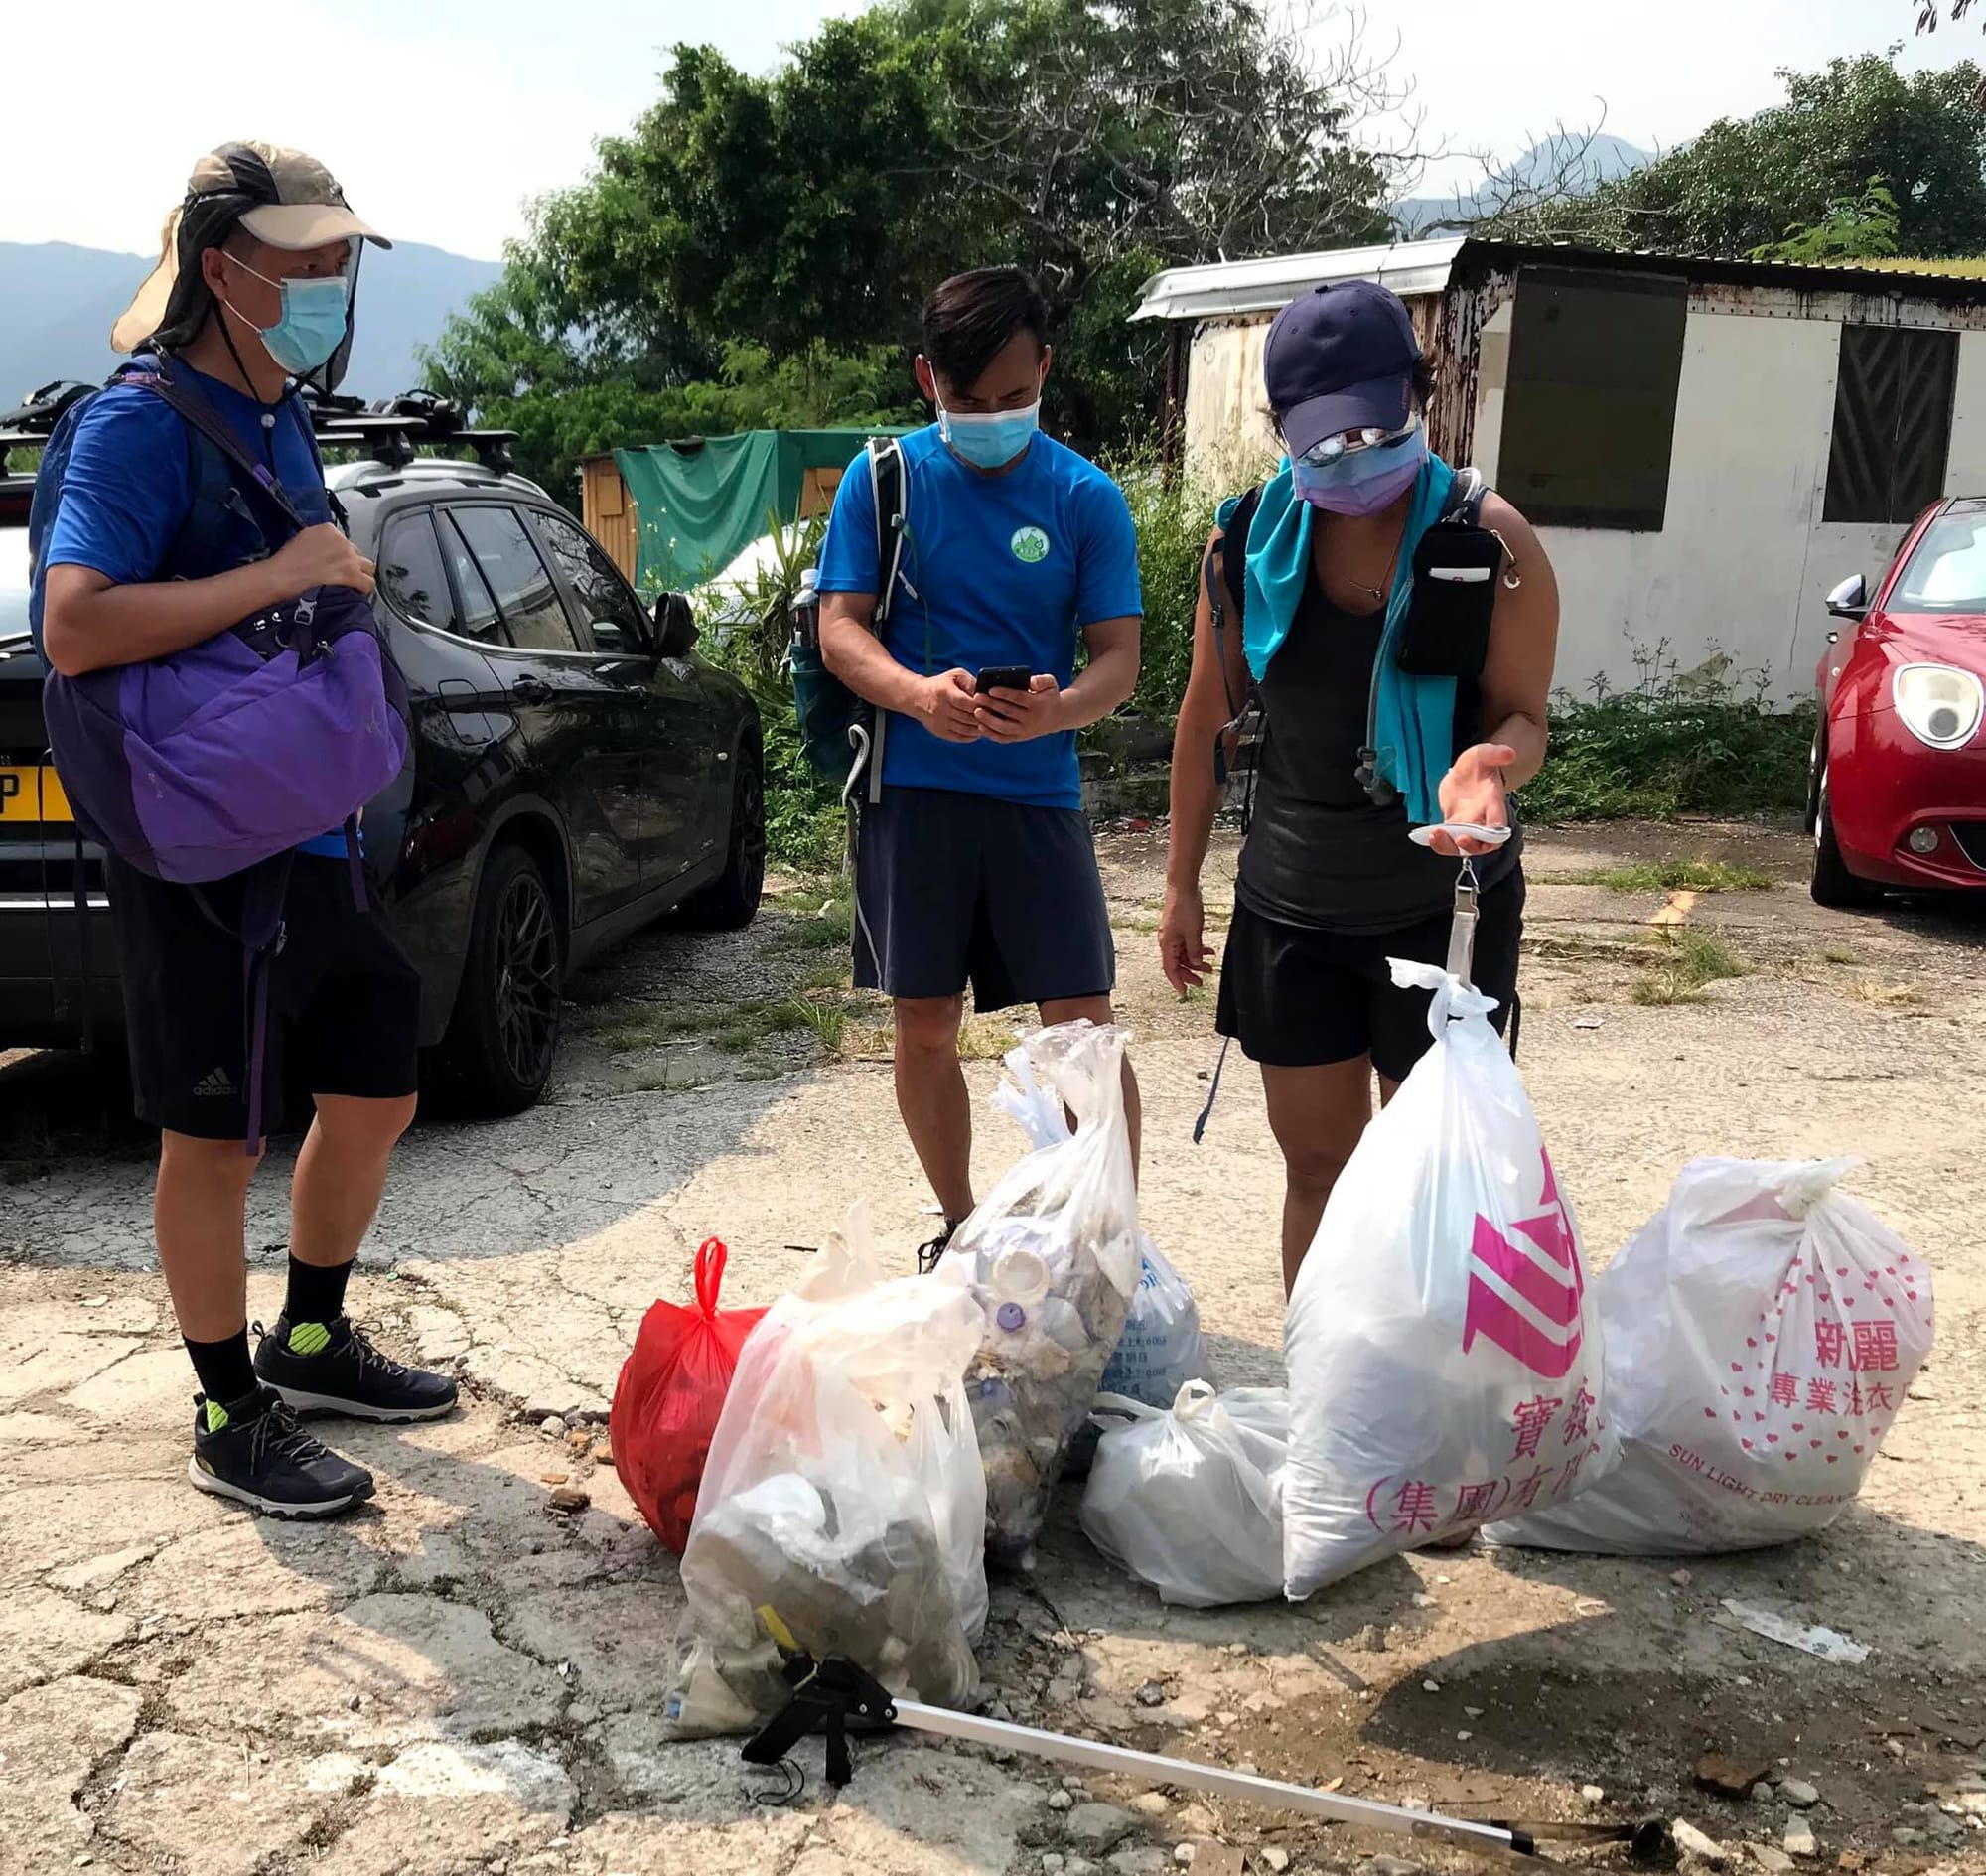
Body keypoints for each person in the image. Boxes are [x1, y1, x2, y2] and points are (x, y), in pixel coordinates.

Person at [39, 143, 457, 1518]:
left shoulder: (278, 412)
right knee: (211, 1136)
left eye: (345, 258)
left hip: (308, 831)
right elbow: (76, 621)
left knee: (379, 1083)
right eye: (309, 262)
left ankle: (316, 1337)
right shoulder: (138, 426)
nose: (337, 283)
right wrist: (283, 572)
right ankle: (229, 1406)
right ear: (222, 272)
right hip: (197, 843)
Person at [1159, 280, 1560, 1297]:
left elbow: (1523, 716)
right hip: (1292, 904)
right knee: (1316, 1168)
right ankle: (1327, 1400)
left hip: (1443, 909)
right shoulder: (1245, 541)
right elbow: (1206, 716)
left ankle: (1428, 1407)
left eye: (1378, 430)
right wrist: (1179, 882)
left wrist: (1487, 765)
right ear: (1283, 429)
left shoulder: (1490, 543)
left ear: (1417, 400)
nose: (1355, 458)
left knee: (1433, 1176)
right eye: (1326, 441)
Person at [816, 266, 1144, 1270]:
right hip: (914, 796)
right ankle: (957, 1224)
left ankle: (1106, 1241)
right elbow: (839, 629)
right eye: (966, 402)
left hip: (1036, 798)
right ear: (927, 380)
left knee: (1081, 1032)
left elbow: (1117, 661)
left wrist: (1056, 710)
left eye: (1012, 398)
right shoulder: (882, 483)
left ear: (1044, 368)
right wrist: (917, 693)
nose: (991, 419)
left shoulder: (1085, 497)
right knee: (924, 1025)